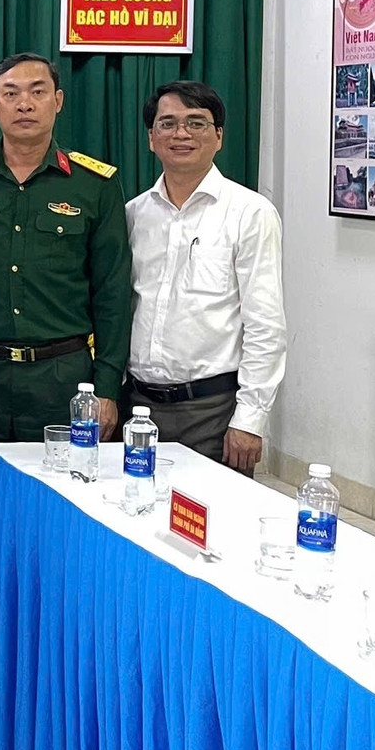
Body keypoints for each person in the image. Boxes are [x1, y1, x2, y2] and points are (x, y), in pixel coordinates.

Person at [0, 51, 131, 720]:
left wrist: (107, 386)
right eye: (11, 92)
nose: (24, 103)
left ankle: (53, 681)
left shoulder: (96, 188)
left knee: (60, 538)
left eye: (37, 91)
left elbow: (113, 296)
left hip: (62, 383)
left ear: (57, 102)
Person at [125, 82, 284, 475]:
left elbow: (265, 325)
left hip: (213, 412)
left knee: (210, 515)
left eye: (196, 122)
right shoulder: (133, 214)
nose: (181, 133)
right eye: (168, 123)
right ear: (151, 138)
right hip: (138, 408)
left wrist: (250, 420)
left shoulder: (250, 212)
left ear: (219, 137)